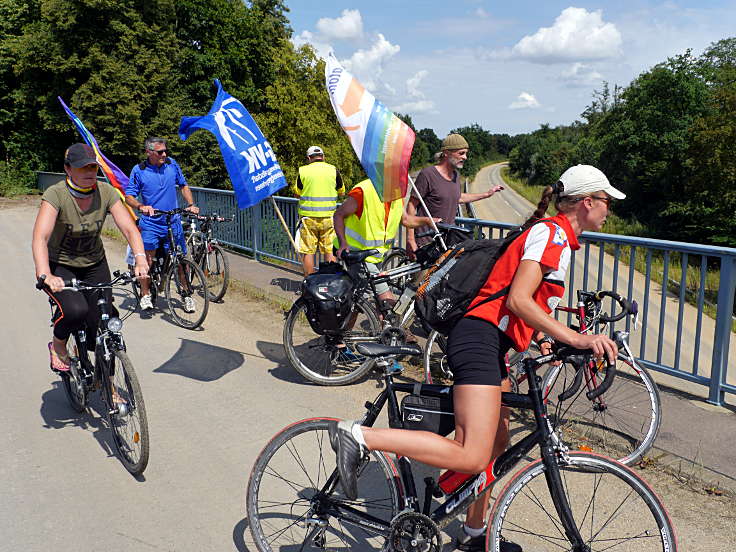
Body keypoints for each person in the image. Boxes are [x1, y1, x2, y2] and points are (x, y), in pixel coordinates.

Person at [328, 164, 625, 551]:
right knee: (472, 453)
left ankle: (473, 533)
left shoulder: (557, 237)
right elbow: (518, 298)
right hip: (479, 339)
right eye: (606, 203)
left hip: (491, 340)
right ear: (587, 202)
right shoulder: (551, 235)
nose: (609, 210)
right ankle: (360, 435)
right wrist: (575, 337)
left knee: (498, 441)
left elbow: (515, 301)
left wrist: (543, 339)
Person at [32, 143, 149, 372]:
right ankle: (58, 345)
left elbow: (129, 229)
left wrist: (141, 259)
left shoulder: (106, 192)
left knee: (105, 326)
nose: (89, 173)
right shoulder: (56, 194)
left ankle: (111, 390)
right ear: (68, 169)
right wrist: (45, 274)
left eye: (93, 168)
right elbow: (40, 237)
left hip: (95, 264)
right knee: (75, 311)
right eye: (82, 168)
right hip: (61, 266)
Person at [333, 178, 438, 303]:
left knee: (361, 301)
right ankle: (384, 321)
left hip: (375, 257)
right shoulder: (364, 190)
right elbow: (339, 214)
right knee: (387, 301)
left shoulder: (397, 194)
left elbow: (405, 220)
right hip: (357, 254)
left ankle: (361, 320)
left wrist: (428, 221)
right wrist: (343, 243)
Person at [125, 137, 199, 312]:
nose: (164, 154)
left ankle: (187, 294)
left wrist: (190, 205)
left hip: (172, 222)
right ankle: (145, 294)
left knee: (182, 261)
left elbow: (183, 185)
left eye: (165, 151)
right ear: (149, 152)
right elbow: (129, 196)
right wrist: (141, 206)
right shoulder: (139, 170)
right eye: (160, 152)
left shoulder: (172, 164)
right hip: (151, 223)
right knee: (147, 260)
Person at [407, 133, 504, 254]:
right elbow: (411, 205)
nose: (465, 157)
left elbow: (457, 198)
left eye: (466, 153)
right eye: (461, 153)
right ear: (447, 153)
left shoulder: (455, 175)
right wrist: (410, 239)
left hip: (447, 242)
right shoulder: (428, 174)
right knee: (425, 274)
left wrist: (486, 194)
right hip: (426, 242)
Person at [293, 146, 345, 276]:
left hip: (308, 218)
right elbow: (342, 191)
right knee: (329, 250)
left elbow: (297, 193)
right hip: (329, 218)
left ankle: (309, 284)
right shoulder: (334, 170)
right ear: (323, 157)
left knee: (308, 251)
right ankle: (330, 283)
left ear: (309, 158)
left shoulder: (303, 171)